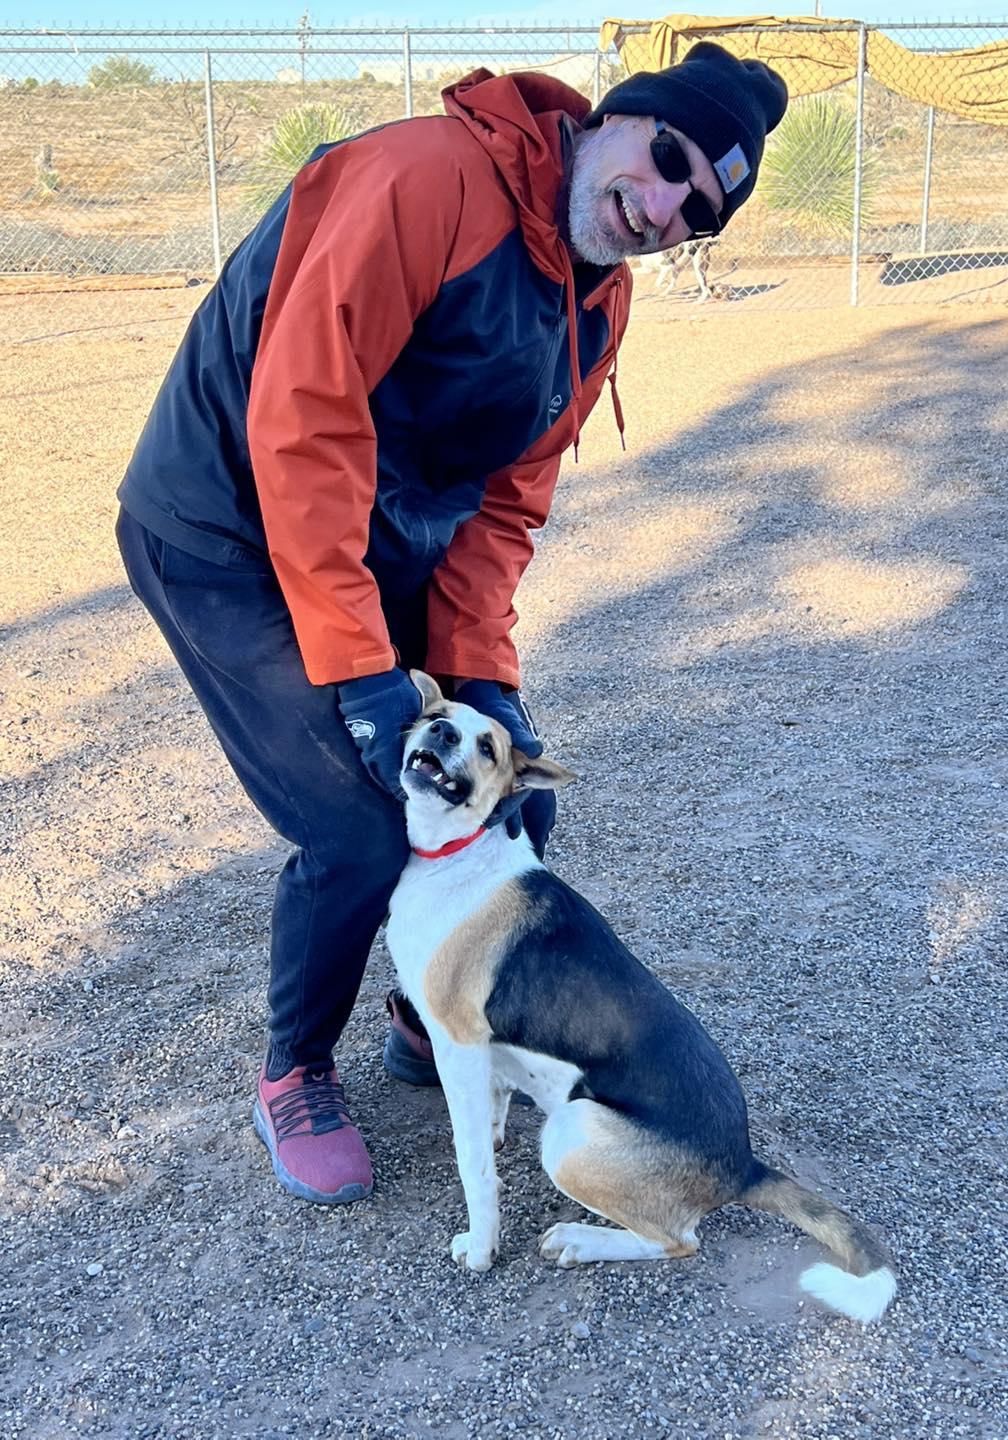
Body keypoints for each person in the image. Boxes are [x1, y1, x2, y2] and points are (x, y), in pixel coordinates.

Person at [116, 42, 787, 1205]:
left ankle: (432, 1008)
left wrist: (481, 680)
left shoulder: (598, 298)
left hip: (365, 539)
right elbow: (305, 421)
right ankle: (294, 1072)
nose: (667, 206)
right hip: (225, 533)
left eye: (700, 214)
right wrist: (367, 678)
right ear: (616, 120)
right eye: (669, 157)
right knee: (365, 819)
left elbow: (506, 505)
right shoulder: (426, 180)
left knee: (516, 786)